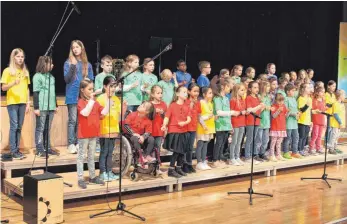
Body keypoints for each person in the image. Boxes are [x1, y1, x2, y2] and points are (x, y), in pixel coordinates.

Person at [64, 40, 94, 154]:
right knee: (73, 120)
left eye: (77, 47)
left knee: (81, 120)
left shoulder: (87, 64)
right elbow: (67, 79)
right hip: (72, 95)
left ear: (82, 48)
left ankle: (78, 142)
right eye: (73, 47)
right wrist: (72, 65)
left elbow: (91, 80)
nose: (75, 49)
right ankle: (71, 143)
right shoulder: (68, 63)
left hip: (84, 96)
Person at [1, 48, 31, 159]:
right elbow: (3, 87)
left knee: (19, 126)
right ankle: (13, 150)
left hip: (22, 102)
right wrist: (13, 83)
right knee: (14, 125)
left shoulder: (25, 71)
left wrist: (28, 102)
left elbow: (27, 88)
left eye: (22, 57)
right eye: (18, 56)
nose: (20, 59)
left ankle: (17, 149)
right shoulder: (7, 71)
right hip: (12, 102)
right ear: (13, 57)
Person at [77, 79, 106, 189]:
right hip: (84, 134)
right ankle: (80, 178)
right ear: (82, 90)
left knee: (91, 156)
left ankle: (92, 176)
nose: (92, 91)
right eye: (89, 89)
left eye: (92, 89)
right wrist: (91, 101)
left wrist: (108, 102)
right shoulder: (81, 102)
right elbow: (85, 113)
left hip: (94, 133)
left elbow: (102, 112)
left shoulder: (94, 101)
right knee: (81, 156)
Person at [97, 76, 126, 182]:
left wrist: (124, 110)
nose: (113, 89)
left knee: (110, 152)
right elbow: (99, 115)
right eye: (111, 86)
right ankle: (102, 172)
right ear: (105, 86)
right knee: (104, 151)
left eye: (114, 86)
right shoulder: (100, 99)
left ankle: (109, 171)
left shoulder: (116, 99)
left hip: (114, 129)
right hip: (104, 130)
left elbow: (120, 117)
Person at [162, 86, 191, 178]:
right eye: (183, 92)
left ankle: (178, 168)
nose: (186, 94)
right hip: (174, 130)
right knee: (177, 151)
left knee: (182, 152)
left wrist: (185, 122)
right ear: (178, 94)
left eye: (186, 92)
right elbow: (167, 117)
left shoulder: (187, 106)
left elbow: (189, 118)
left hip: (184, 130)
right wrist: (164, 125)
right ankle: (171, 169)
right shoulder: (172, 105)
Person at [33, 56, 59, 158]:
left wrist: (56, 105)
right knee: (40, 128)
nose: (52, 65)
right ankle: (39, 149)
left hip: (51, 106)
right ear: (44, 64)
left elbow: (53, 92)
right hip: (42, 107)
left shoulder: (51, 77)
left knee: (48, 128)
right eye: (50, 63)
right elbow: (35, 93)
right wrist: (36, 107)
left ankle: (47, 148)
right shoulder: (37, 76)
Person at [212, 78, 239, 167]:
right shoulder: (217, 98)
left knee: (223, 142)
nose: (229, 89)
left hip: (226, 124)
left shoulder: (226, 98)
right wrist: (232, 112)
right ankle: (215, 160)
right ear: (223, 87)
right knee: (219, 142)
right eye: (228, 87)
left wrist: (230, 125)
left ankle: (219, 159)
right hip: (220, 124)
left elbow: (227, 113)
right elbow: (219, 112)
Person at [94, 55, 114, 153]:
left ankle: (107, 142)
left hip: (110, 101)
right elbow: (96, 90)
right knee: (100, 122)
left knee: (108, 122)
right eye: (107, 65)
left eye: (111, 65)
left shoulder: (113, 77)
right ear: (102, 66)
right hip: (101, 101)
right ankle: (98, 143)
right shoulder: (99, 77)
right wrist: (105, 89)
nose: (109, 67)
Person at [244, 81, 265, 163]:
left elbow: (258, 111)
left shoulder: (257, 98)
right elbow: (249, 110)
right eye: (254, 87)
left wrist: (262, 107)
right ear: (250, 89)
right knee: (249, 139)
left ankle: (252, 155)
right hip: (250, 121)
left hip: (257, 121)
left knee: (254, 139)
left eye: (257, 87)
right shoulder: (248, 98)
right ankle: (247, 156)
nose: (257, 89)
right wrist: (259, 106)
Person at [196, 87, 215, 170]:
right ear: (204, 94)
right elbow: (199, 117)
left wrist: (214, 117)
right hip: (201, 127)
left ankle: (204, 161)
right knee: (200, 144)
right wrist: (207, 117)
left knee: (205, 145)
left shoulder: (211, 103)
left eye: (212, 93)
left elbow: (211, 115)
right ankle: (199, 162)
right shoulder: (201, 102)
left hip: (209, 127)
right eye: (209, 93)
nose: (211, 95)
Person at [183, 83, 200, 173]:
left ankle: (189, 164)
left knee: (190, 147)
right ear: (189, 91)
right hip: (186, 127)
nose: (196, 93)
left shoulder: (197, 102)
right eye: (194, 91)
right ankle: (183, 164)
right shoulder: (185, 101)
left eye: (197, 91)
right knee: (185, 147)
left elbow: (198, 114)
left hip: (193, 127)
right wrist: (190, 104)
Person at [229, 83, 247, 165]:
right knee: (234, 141)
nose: (243, 92)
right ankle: (232, 158)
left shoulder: (243, 100)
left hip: (242, 123)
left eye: (244, 90)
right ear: (237, 91)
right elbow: (232, 113)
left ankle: (237, 156)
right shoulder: (233, 100)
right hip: (235, 123)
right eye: (242, 90)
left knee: (239, 141)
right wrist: (241, 112)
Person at [254, 81, 272, 162]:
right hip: (260, 122)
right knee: (259, 139)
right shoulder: (258, 97)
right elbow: (258, 110)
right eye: (267, 86)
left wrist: (268, 107)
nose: (269, 88)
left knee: (266, 140)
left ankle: (262, 153)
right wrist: (263, 107)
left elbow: (269, 108)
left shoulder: (268, 98)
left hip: (267, 122)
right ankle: (255, 154)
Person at [283, 83, 301, 159]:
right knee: (288, 138)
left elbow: (296, 109)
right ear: (288, 92)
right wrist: (293, 114)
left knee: (296, 137)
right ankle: (286, 152)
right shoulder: (286, 99)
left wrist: (298, 114)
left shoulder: (294, 99)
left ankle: (294, 152)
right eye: (293, 91)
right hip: (288, 122)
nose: (294, 92)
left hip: (294, 122)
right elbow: (286, 110)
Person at [269, 93, 288, 162]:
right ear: (276, 100)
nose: (281, 102)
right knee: (273, 142)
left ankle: (278, 154)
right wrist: (278, 110)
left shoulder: (284, 106)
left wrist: (288, 112)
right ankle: (271, 155)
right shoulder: (273, 106)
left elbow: (285, 116)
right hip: (275, 127)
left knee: (279, 142)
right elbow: (273, 116)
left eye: (282, 101)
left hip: (282, 126)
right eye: (279, 101)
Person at [150, 85, 167, 158]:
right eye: (158, 93)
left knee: (158, 147)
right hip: (150, 130)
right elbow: (145, 117)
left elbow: (166, 117)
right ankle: (150, 166)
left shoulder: (163, 104)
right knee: (150, 148)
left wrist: (163, 113)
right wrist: (153, 111)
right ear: (152, 94)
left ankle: (157, 166)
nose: (160, 95)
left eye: (161, 93)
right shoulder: (149, 104)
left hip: (159, 130)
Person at [309, 87, 326, 155]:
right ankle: (311, 148)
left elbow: (323, 109)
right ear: (318, 93)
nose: (323, 93)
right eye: (322, 92)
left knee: (319, 135)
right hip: (316, 120)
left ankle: (318, 148)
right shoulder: (314, 100)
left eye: (323, 92)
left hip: (321, 120)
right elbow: (312, 110)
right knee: (315, 135)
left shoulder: (323, 100)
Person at [328, 89, 345, 154]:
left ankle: (335, 148)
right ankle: (331, 149)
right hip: (335, 124)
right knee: (333, 136)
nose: (344, 96)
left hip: (339, 124)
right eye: (344, 95)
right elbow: (335, 114)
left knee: (337, 136)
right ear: (340, 96)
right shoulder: (335, 103)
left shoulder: (342, 104)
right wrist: (340, 122)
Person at [297, 83, 312, 156]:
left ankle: (302, 149)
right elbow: (301, 110)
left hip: (307, 121)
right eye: (308, 88)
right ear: (303, 89)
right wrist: (307, 105)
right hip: (301, 121)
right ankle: (299, 149)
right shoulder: (301, 98)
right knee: (301, 136)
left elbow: (310, 111)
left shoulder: (309, 99)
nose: (309, 89)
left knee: (305, 137)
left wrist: (311, 121)